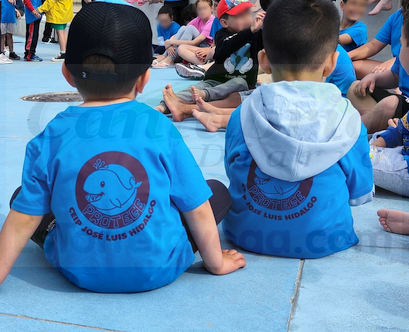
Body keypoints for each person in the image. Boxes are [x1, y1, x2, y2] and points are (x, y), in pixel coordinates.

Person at [0, 0, 246, 293]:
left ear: (67, 74)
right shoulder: (159, 128)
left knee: (24, 198)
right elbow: (196, 207)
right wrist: (216, 263)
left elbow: (25, 217)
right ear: (144, 79)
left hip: (78, 269)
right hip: (158, 268)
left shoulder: (53, 133)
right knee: (214, 191)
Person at [223, 0, 374, 259]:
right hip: (327, 239)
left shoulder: (242, 114)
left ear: (264, 61)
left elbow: (233, 169)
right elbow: (359, 193)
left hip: (245, 235)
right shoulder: (349, 119)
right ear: (332, 63)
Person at [156, 0, 264, 119]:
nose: (247, 19)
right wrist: (249, 31)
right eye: (240, 16)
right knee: (194, 89)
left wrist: (268, 22)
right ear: (224, 22)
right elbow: (226, 46)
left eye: (247, 14)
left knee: (239, 82)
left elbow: (272, 41)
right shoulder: (222, 35)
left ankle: (204, 96)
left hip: (241, 85)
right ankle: (163, 106)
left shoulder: (256, 34)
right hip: (216, 80)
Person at [348, 1, 407, 79]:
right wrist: (345, 56)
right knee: (351, 66)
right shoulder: (397, 16)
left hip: (401, 65)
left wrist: (395, 62)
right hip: (395, 68)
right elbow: (374, 45)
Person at [153, 0, 214, 68]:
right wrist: (169, 43)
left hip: (206, 49)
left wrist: (171, 42)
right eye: (200, 9)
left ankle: (170, 59)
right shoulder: (198, 19)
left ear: (211, 8)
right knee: (183, 28)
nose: (202, 11)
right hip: (196, 46)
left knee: (190, 28)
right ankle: (165, 56)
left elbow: (195, 42)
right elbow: (180, 32)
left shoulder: (211, 21)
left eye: (205, 8)